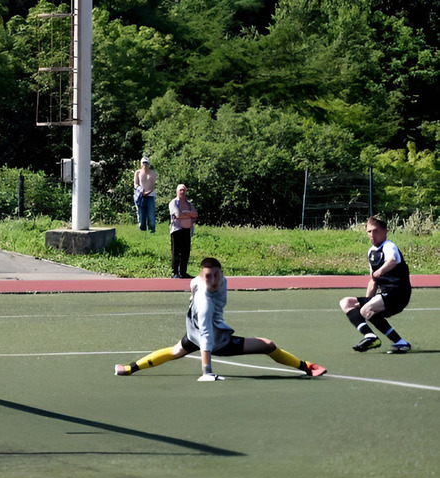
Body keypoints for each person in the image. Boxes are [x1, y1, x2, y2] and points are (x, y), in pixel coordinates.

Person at [114, 257, 327, 381]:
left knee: (175, 351)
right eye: (209, 277)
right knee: (267, 344)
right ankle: (307, 366)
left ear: (221, 273)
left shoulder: (200, 281)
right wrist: (207, 373)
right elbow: (207, 339)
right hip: (216, 341)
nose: (213, 280)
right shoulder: (205, 302)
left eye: (216, 275)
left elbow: (194, 286)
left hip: (192, 333)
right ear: (202, 276)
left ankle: (129, 368)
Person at [339, 216, 412, 353]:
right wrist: (367, 301)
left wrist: (380, 271)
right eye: (369, 232)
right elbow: (373, 280)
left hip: (397, 294)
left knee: (366, 309)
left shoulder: (389, 246)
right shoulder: (371, 252)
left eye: (375, 231)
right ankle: (372, 336)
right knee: (346, 303)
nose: (372, 235)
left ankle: (395, 341)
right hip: (384, 295)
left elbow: (393, 260)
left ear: (385, 231)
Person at [169, 184, 198, 278]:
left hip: (187, 230)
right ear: (177, 191)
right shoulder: (173, 202)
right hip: (177, 230)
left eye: (184, 190)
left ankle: (183, 272)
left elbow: (195, 214)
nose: (183, 192)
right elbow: (178, 215)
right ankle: (175, 272)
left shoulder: (189, 204)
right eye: (181, 190)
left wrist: (186, 213)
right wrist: (188, 215)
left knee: (186, 252)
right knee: (176, 252)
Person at [133, 156, 157, 233]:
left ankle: (152, 230)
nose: (145, 165)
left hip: (150, 195)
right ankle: (142, 231)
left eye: (146, 163)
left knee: (151, 214)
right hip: (141, 196)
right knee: (141, 215)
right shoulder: (138, 172)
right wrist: (141, 192)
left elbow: (153, 185)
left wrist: (148, 192)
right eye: (144, 163)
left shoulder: (153, 173)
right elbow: (136, 184)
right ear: (141, 164)